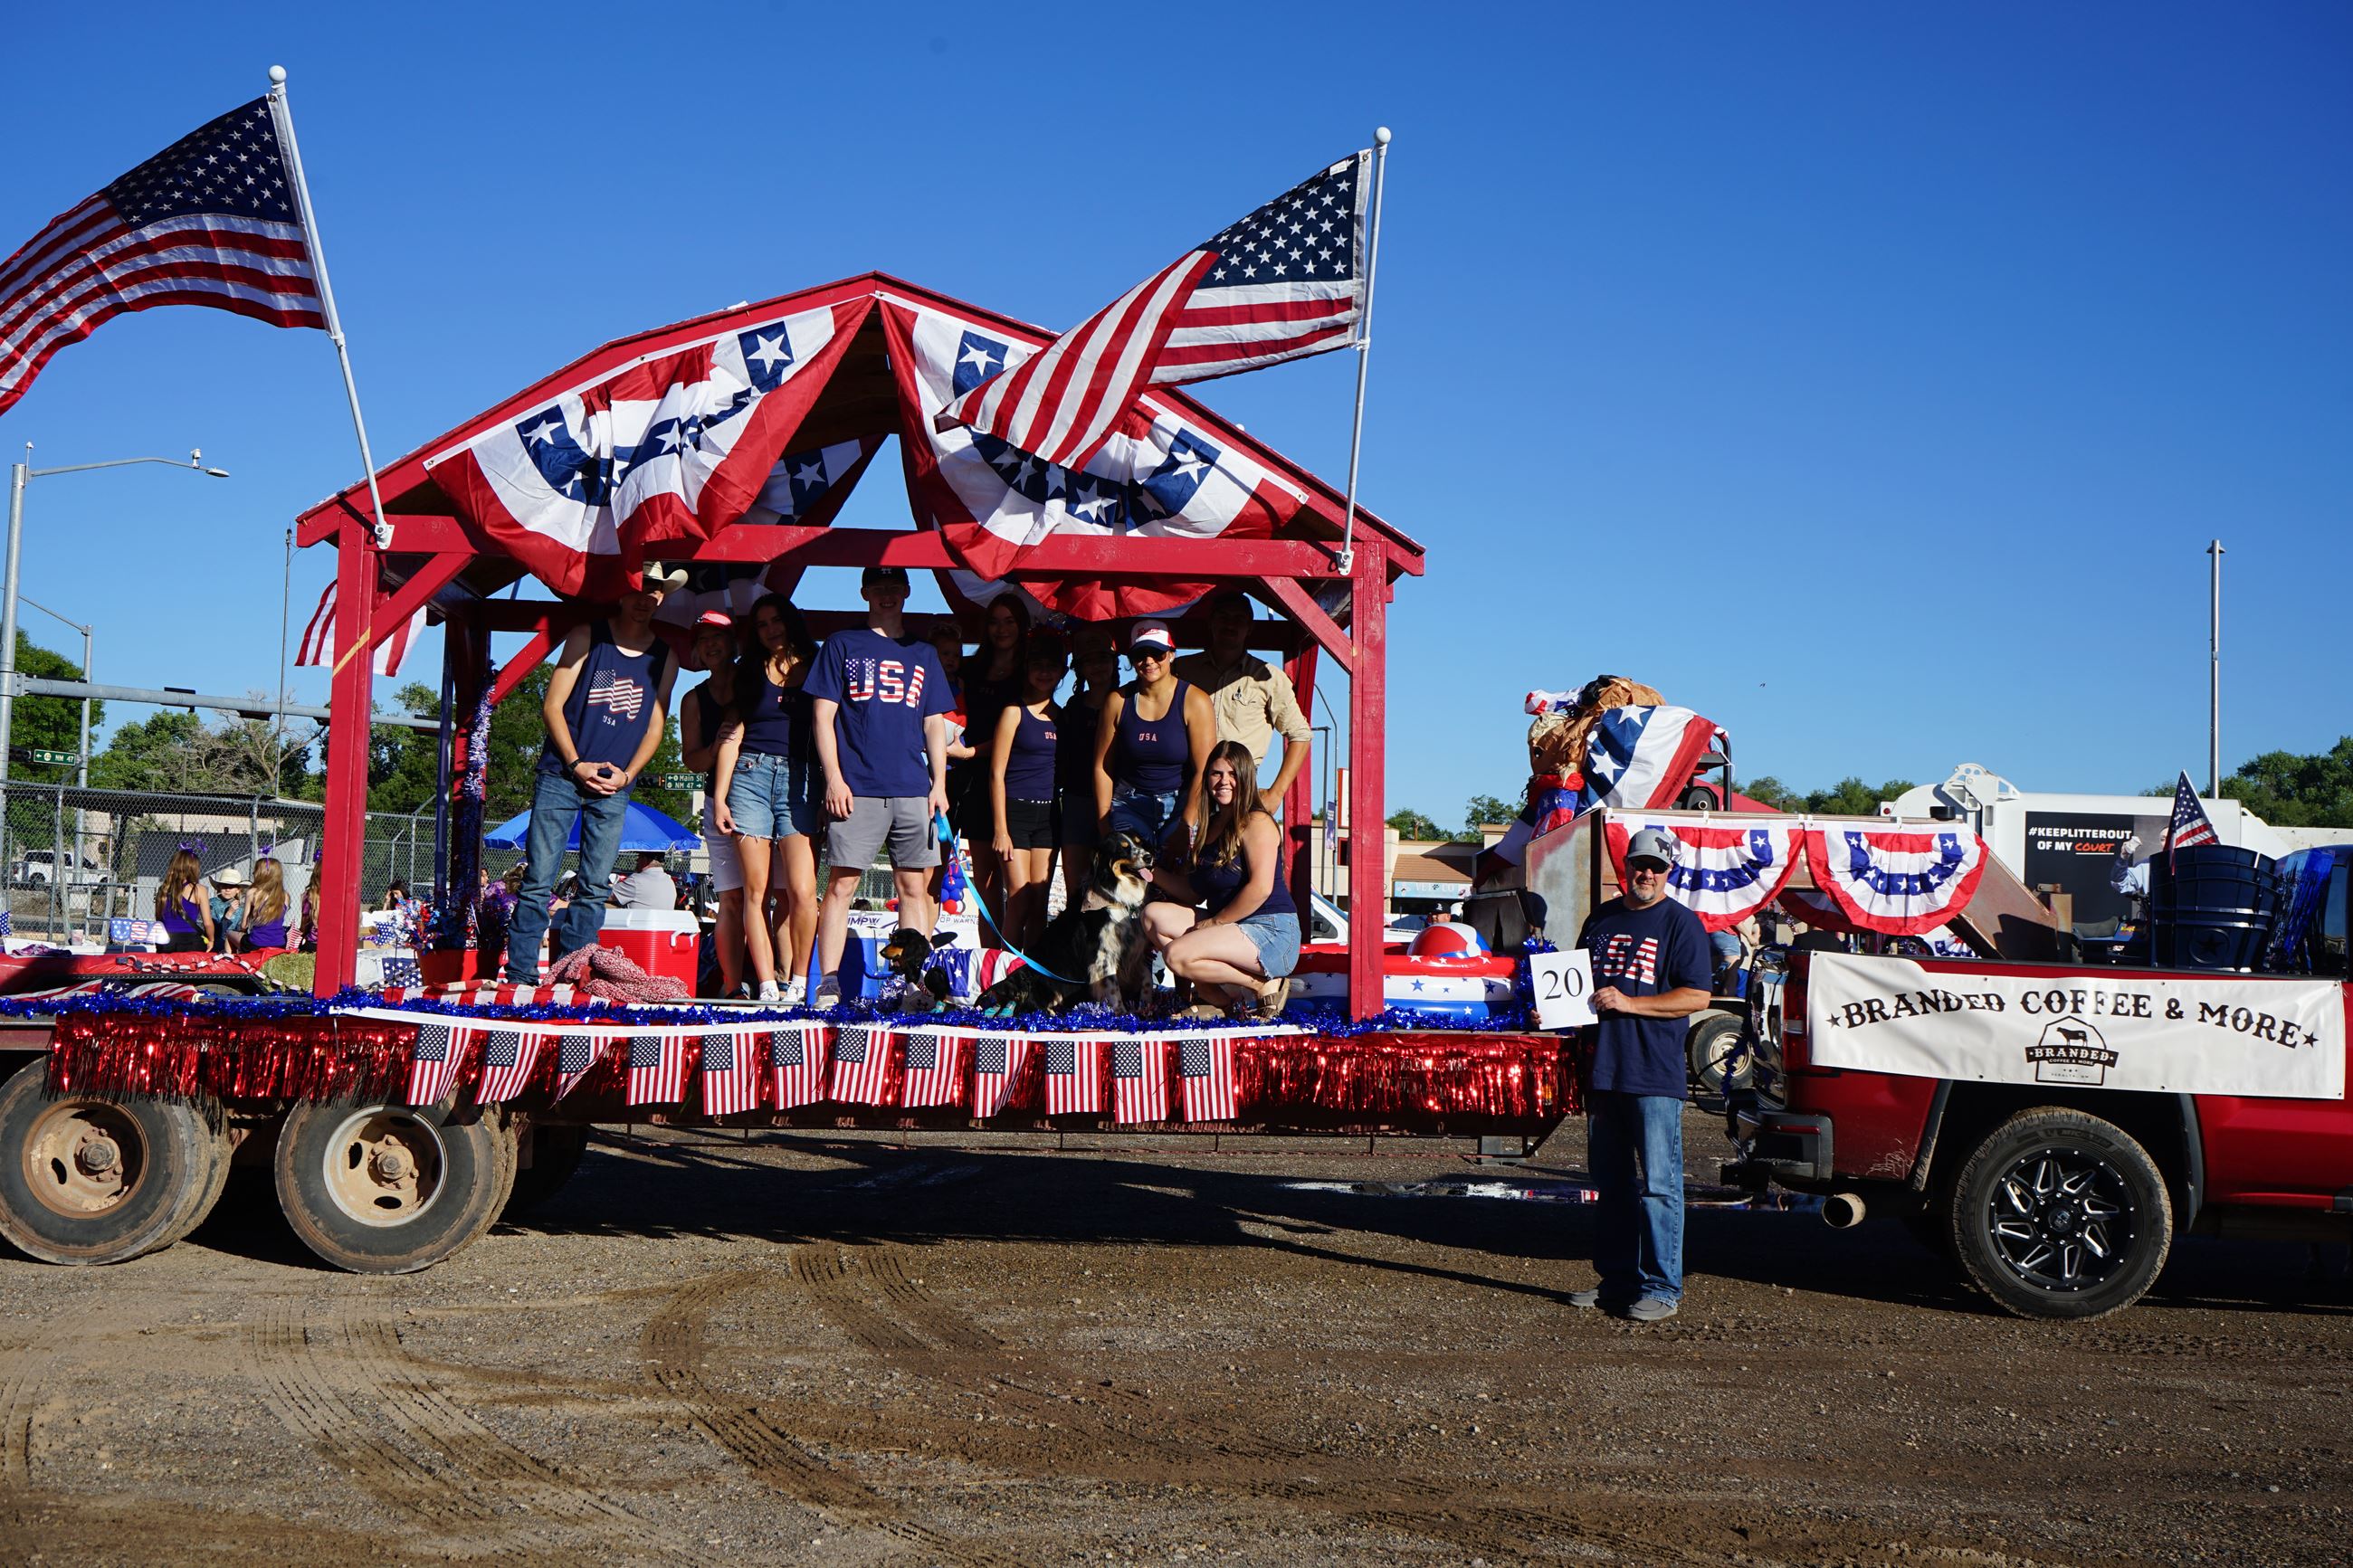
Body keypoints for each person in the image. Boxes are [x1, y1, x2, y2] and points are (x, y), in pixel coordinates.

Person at [505, 563, 682, 983]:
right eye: (640, 588)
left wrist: (628, 775)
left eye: (656, 591)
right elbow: (552, 704)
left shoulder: (665, 656)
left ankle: (572, 974)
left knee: (595, 885)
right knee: (538, 878)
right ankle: (521, 975)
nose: (647, 598)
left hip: (614, 785)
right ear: (623, 592)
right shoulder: (588, 635)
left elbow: (657, 723)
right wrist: (575, 763)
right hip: (561, 775)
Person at [1568, 827, 1714, 1323]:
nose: (1645, 873)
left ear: (1668, 872)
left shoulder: (1682, 924)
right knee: (1611, 1185)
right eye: (1637, 864)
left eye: (1655, 866)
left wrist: (1630, 1003)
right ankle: (1616, 1280)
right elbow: (1571, 984)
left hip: (1653, 1073)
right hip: (1603, 1071)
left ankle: (1662, 1288)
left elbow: (1697, 997)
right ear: (1624, 867)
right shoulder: (1601, 920)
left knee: (1659, 1186)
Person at [805, 565, 954, 1006]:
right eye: (878, 587)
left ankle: (912, 983)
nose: (887, 595)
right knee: (841, 885)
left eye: (895, 587)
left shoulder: (923, 652)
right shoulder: (842, 644)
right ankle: (829, 980)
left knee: (915, 888)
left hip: (913, 787)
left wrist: (939, 783)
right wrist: (834, 777)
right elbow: (822, 716)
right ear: (864, 591)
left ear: (907, 592)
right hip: (858, 786)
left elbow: (934, 723)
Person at [712, 594, 823, 1002]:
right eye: (762, 625)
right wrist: (720, 798)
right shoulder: (748, 671)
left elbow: (834, 726)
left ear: (791, 622)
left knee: (801, 889)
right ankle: (765, 984)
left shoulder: (818, 665)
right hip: (750, 775)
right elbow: (731, 732)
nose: (771, 629)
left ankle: (798, 980)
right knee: (755, 890)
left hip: (803, 778)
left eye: (777, 621)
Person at [1142, 740, 1301, 1020]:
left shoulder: (1257, 822)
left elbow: (1261, 889)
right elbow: (1193, 892)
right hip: (1233, 926)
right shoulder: (1211, 826)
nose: (1224, 781)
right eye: (1217, 774)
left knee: (1177, 955)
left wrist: (1214, 923)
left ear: (1246, 778)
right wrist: (1149, 871)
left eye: (1232, 774)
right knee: (1152, 916)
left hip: (1271, 931)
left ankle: (1263, 986)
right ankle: (1223, 1004)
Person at [1172, 589, 1310, 802]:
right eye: (1224, 617)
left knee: (1236, 836)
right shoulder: (1182, 669)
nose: (1230, 625)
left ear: (1250, 627)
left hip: (1239, 782)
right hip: (1183, 779)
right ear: (1211, 622)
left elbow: (1300, 735)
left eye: (1239, 619)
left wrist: (1275, 795)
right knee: (1182, 835)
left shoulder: (1269, 678)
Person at [1091, 619, 1215, 853]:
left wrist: (1186, 824)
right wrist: (1104, 823)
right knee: (1128, 879)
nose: (1148, 661)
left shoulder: (1195, 701)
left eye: (1157, 653)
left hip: (1179, 803)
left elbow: (1204, 769)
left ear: (1171, 654)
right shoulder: (1117, 701)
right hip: (1130, 802)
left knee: (1177, 877)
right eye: (1140, 654)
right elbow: (1102, 766)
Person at [678, 611, 748, 997]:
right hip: (717, 803)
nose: (711, 645)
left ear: (733, 643)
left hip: (760, 795)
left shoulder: (754, 683)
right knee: (730, 897)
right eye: (703, 639)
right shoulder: (693, 699)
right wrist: (717, 746)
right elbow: (692, 759)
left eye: (717, 637)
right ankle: (732, 985)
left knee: (767, 895)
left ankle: (779, 981)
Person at [988, 629, 1068, 951]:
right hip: (1015, 814)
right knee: (1018, 900)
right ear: (1027, 669)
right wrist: (1000, 829)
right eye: (1038, 665)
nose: (1044, 673)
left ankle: (1029, 976)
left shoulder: (1062, 717)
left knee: (1038, 904)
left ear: (1062, 672)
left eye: (1052, 666)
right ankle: (1005, 972)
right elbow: (996, 774)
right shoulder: (1013, 712)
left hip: (1049, 816)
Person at [1056, 621, 1119, 913]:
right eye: (1089, 661)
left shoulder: (1129, 701)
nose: (1097, 667)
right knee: (1076, 890)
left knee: (1115, 889)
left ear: (1114, 663)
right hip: (1077, 800)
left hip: (1118, 803)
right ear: (1079, 668)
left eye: (1103, 659)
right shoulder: (1072, 707)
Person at [155, 848, 213, 954]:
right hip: (191, 943)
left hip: (166, 942)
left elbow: (159, 918)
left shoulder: (163, 889)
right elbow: (208, 923)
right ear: (193, 868)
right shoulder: (199, 889)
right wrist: (211, 940)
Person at [243, 859, 291, 950]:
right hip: (280, 944)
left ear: (261, 874)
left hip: (256, 943)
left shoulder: (252, 892)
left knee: (230, 935)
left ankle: (232, 961)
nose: (253, 873)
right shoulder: (285, 895)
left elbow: (243, 925)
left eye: (256, 871)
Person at [614, 852, 679, 911]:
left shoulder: (636, 880)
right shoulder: (670, 882)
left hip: (635, 923)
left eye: (639, 857)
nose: (637, 861)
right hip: (662, 923)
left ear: (645, 859)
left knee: (604, 903)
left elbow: (608, 895)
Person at [208, 866, 249, 954]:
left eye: (231, 887)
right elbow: (216, 932)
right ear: (219, 887)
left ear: (238, 890)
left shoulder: (242, 908)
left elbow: (241, 931)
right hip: (214, 946)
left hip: (233, 948)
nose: (227, 889)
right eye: (224, 886)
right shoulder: (211, 904)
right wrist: (228, 915)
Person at [297, 877, 322, 953]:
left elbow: (304, 924)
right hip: (328, 943)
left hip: (311, 943)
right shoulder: (338, 896)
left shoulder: (309, 896)